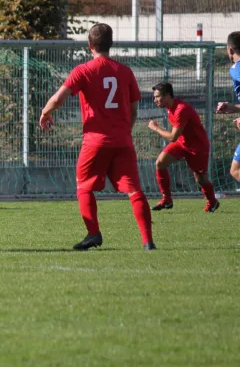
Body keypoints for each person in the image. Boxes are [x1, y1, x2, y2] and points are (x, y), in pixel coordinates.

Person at [39, 23, 155, 251]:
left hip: (95, 140)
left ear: (90, 45)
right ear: (111, 44)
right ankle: (148, 241)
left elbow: (58, 99)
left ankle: (93, 234)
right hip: (123, 141)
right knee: (134, 190)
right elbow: (133, 111)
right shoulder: (125, 72)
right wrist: (125, 131)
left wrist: (45, 112)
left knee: (84, 186)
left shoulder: (83, 70)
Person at [148, 82, 218, 212]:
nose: (155, 100)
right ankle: (167, 199)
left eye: (157, 97)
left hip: (197, 146)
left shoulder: (181, 109)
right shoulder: (170, 108)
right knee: (160, 163)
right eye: (154, 97)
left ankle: (212, 201)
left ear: (168, 95)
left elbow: (172, 137)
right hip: (182, 143)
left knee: (200, 179)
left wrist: (156, 128)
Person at [215, 31, 240, 183]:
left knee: (236, 170)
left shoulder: (236, 68)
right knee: (235, 170)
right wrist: (233, 107)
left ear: (230, 50)